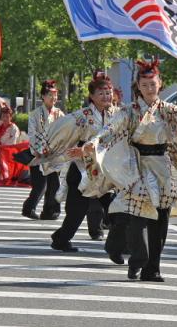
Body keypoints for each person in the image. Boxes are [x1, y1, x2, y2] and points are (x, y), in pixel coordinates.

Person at [83, 59, 177, 282]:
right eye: (144, 85)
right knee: (137, 217)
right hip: (137, 166)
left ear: (160, 84)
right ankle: (138, 259)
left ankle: (152, 268)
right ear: (138, 85)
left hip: (162, 166)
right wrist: (95, 141)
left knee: (160, 220)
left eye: (153, 84)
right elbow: (111, 127)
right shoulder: (130, 111)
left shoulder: (168, 110)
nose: (149, 89)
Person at [34, 73, 118, 252]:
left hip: (106, 170)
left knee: (116, 207)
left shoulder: (116, 114)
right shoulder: (81, 116)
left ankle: (122, 243)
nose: (106, 96)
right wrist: (45, 149)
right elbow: (60, 131)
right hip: (82, 169)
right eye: (101, 93)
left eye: (109, 92)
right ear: (92, 96)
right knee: (76, 211)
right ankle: (61, 239)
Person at [22, 80, 64, 220]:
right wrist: (41, 150)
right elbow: (32, 135)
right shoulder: (35, 114)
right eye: (50, 95)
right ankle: (29, 208)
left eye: (55, 95)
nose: (54, 98)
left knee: (54, 184)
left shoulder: (60, 114)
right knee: (40, 185)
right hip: (38, 154)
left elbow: (65, 132)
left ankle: (50, 211)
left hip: (54, 154)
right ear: (43, 97)